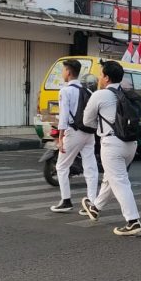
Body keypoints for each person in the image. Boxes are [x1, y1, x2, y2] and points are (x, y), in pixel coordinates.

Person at [80, 61, 141, 235]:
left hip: (112, 143)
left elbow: (87, 121)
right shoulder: (128, 94)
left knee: (119, 181)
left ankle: (133, 220)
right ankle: (95, 208)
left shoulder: (100, 95)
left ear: (106, 78)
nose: (100, 78)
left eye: (101, 74)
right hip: (131, 143)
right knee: (110, 178)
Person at [51, 59, 98, 213]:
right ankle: (91, 202)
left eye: (63, 70)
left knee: (62, 166)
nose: (62, 73)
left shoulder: (65, 91)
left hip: (73, 132)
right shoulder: (87, 90)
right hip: (89, 133)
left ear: (69, 72)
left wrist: (60, 138)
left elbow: (64, 115)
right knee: (90, 168)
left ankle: (66, 200)